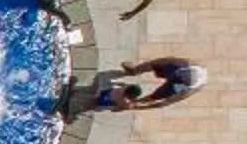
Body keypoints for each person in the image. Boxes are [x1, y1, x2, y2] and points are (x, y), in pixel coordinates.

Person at [68, 56, 207, 114]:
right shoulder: (184, 64)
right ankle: (134, 71)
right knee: (155, 65)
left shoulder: (185, 91)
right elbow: (158, 61)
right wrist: (138, 69)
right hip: (114, 99)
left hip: (176, 86)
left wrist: (137, 106)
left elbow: (162, 103)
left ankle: (137, 100)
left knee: (156, 96)